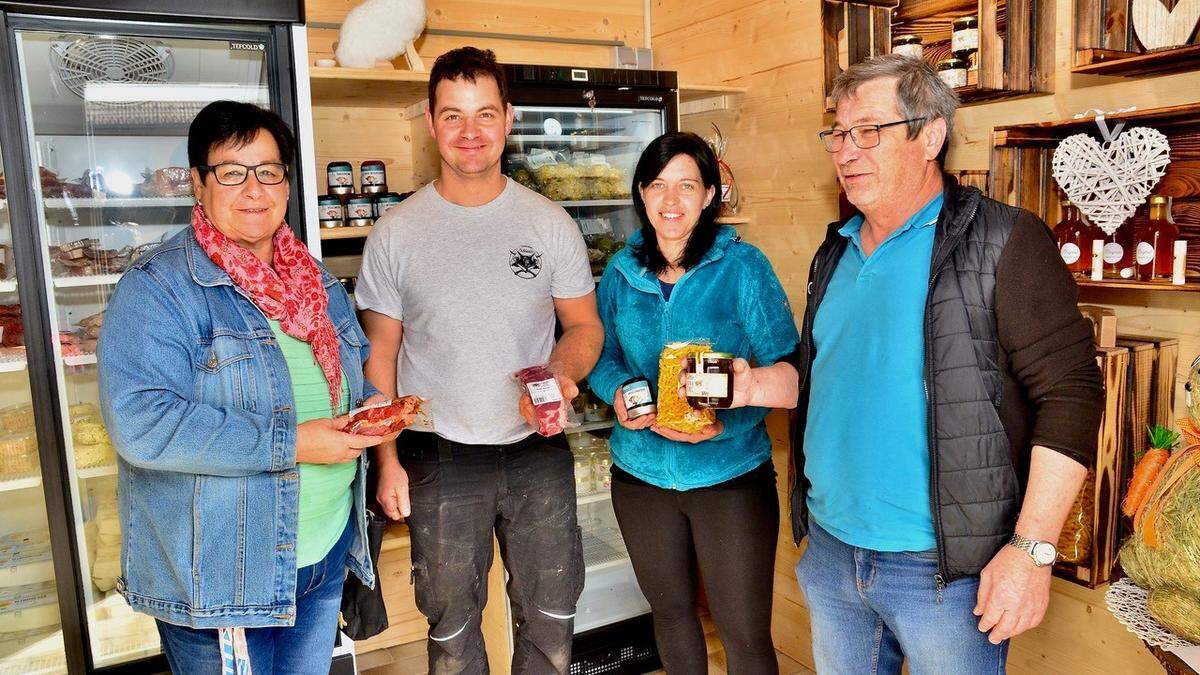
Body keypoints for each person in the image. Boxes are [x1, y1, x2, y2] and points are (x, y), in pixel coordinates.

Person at [730, 54, 1105, 673]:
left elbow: (1072, 395)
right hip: (831, 554)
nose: (848, 151)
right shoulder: (836, 249)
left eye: (870, 131)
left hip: (946, 574)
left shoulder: (1002, 241)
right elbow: (824, 372)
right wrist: (752, 384)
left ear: (930, 134)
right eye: (839, 135)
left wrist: (1031, 551)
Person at [98, 101, 396, 673]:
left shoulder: (314, 280)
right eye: (232, 172)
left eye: (268, 171)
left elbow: (347, 379)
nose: (253, 189)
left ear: (287, 182)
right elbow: (142, 425)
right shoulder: (160, 288)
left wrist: (370, 408)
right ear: (198, 183)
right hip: (228, 570)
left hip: (324, 548)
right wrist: (295, 443)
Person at [355, 47, 603, 674]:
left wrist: (562, 374)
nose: (471, 132)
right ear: (432, 124)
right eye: (454, 115)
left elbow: (583, 326)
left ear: (509, 119)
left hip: (536, 446)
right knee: (451, 624)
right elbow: (379, 354)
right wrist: (385, 461)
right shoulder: (396, 232)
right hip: (436, 452)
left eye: (485, 114)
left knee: (551, 617)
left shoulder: (549, 224)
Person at [586, 131, 800, 674]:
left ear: (709, 195)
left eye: (687, 185)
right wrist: (620, 394)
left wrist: (724, 425)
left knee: (744, 634)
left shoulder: (743, 266)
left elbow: (786, 369)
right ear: (641, 193)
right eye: (658, 185)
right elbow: (600, 356)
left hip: (729, 478)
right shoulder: (621, 270)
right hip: (640, 477)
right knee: (672, 617)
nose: (671, 200)